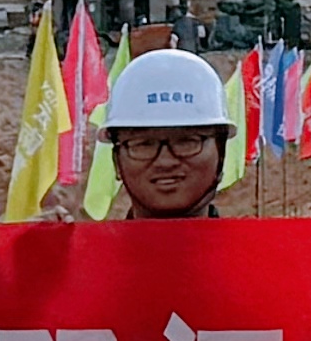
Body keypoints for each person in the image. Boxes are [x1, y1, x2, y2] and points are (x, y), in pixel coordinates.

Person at [94, 49, 237, 221]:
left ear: (221, 155)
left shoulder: (263, 248)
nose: (165, 161)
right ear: (116, 161)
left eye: (186, 142)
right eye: (144, 144)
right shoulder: (78, 248)